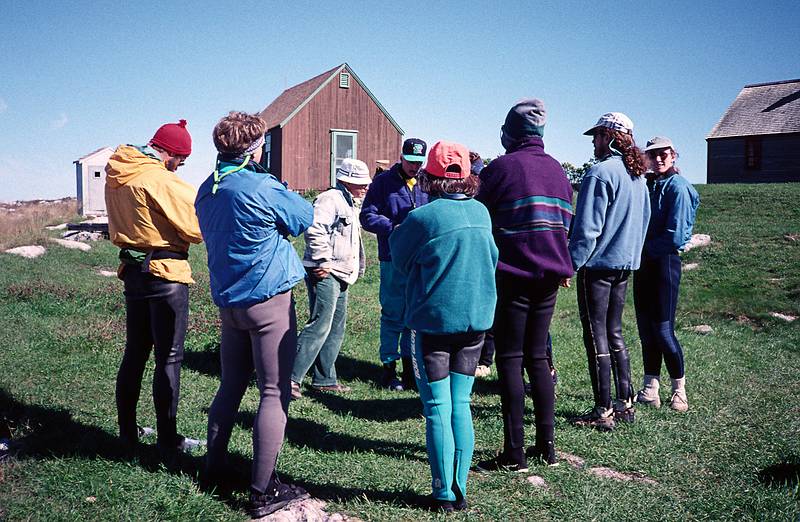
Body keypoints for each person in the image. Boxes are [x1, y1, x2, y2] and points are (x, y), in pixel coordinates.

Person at [195, 111, 313, 518]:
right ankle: (263, 491)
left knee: (230, 384)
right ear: (255, 145)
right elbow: (303, 217)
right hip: (268, 299)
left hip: (230, 303)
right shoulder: (262, 185)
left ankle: (213, 468)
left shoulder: (207, 189)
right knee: (273, 392)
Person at [389, 141, 498, 512]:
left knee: (437, 406)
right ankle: (461, 489)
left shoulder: (423, 217)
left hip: (432, 324)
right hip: (476, 323)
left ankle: (442, 495)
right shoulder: (482, 213)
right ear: (467, 175)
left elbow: (400, 258)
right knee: (461, 404)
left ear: (428, 175)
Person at [474, 99, 573, 470]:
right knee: (538, 358)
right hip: (551, 277)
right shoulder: (559, 172)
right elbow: (566, 224)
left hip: (513, 276)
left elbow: (479, 216)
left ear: (511, 134)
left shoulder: (501, 168)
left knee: (511, 359)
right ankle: (546, 448)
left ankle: (514, 453)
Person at [104, 119, 204, 462]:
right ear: (172, 154)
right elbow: (196, 225)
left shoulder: (119, 172)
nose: (179, 167)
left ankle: (127, 433)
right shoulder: (160, 178)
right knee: (170, 358)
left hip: (133, 273)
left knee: (135, 353)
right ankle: (168, 440)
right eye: (181, 160)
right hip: (165, 272)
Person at [569, 112, 651, 431]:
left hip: (598, 266)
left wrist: (570, 264)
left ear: (610, 137)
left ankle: (602, 411)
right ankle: (625, 403)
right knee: (615, 332)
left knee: (596, 335)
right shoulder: (638, 176)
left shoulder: (600, 173)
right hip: (624, 265)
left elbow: (588, 230)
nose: (593, 141)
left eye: (597, 136)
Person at [290, 159, 372, 399]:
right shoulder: (330, 199)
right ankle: (290, 378)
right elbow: (315, 229)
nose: (365, 187)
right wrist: (322, 261)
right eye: (360, 183)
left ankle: (324, 379)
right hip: (326, 271)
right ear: (345, 180)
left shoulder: (349, 202)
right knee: (320, 323)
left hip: (341, 272)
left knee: (336, 327)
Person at [634, 137, 700, 412]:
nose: (658, 159)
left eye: (663, 154)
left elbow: (676, 236)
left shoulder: (679, 188)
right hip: (643, 264)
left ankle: (679, 390)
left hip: (664, 263)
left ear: (673, 155)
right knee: (646, 331)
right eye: (653, 154)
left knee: (662, 330)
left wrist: (643, 250)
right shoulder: (649, 184)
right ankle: (651, 388)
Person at [360, 138, 430, 391]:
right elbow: (367, 216)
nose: (414, 167)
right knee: (392, 314)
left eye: (418, 162)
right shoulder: (383, 182)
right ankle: (389, 369)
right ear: (401, 157)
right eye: (410, 161)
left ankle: (411, 370)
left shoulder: (426, 181)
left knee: (415, 316)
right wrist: (393, 228)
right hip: (392, 258)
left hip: (420, 260)